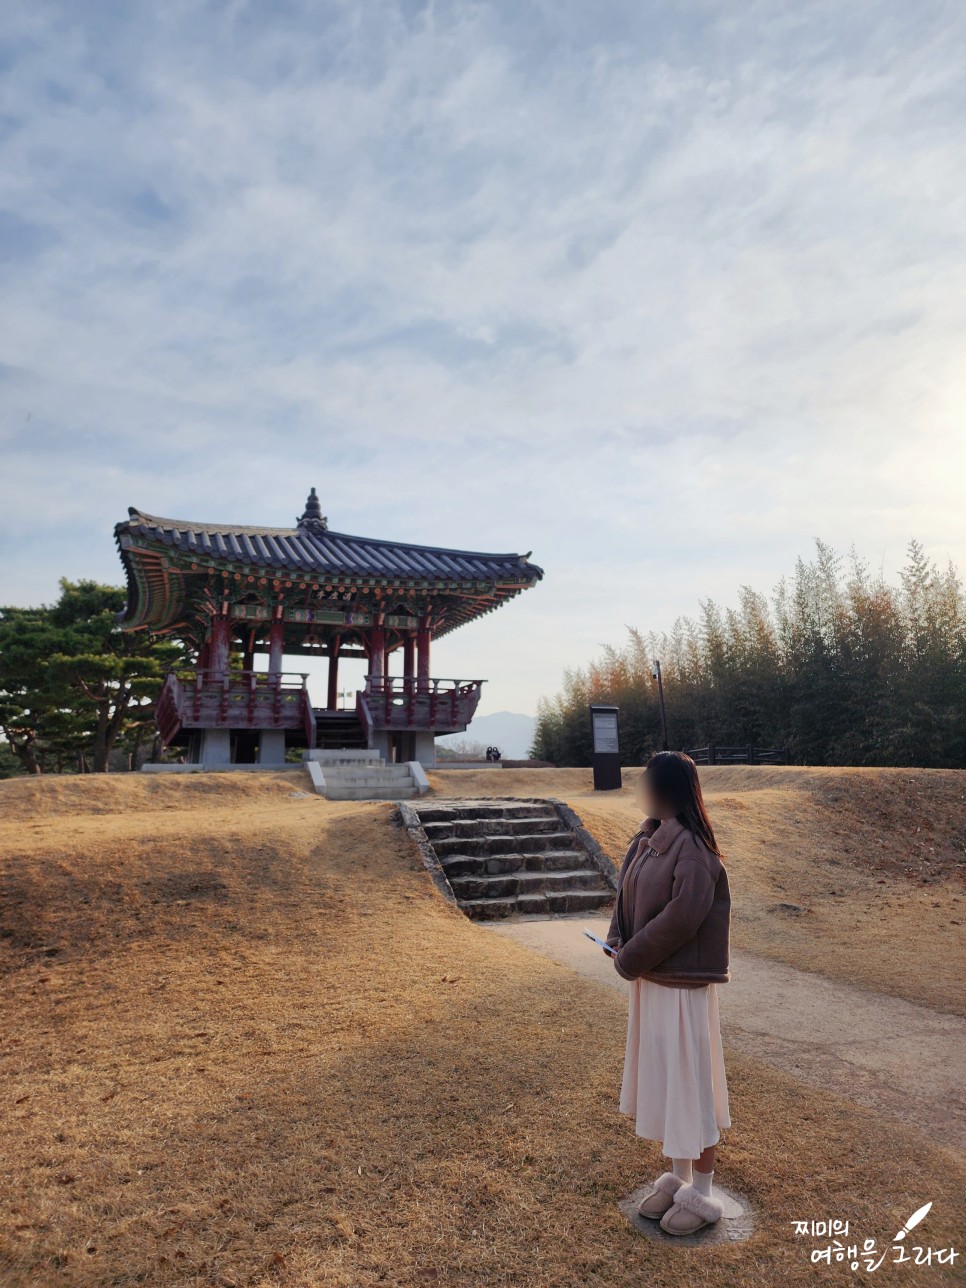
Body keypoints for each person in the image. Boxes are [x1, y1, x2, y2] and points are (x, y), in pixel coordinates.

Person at [603, 750, 732, 1236]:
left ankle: (703, 1190)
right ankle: (678, 1178)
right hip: (652, 981)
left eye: (646, 782)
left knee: (690, 1085)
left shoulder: (695, 850)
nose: (640, 789)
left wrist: (631, 956)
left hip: (680, 986)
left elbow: (683, 918)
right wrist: (617, 941)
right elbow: (626, 896)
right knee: (666, 1079)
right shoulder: (647, 837)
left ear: (669, 789)